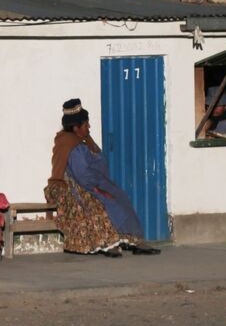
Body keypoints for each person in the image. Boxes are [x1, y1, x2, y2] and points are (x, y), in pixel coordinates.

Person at [45, 99, 158, 257]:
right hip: (76, 188)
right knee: (105, 202)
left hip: (86, 183)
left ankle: (131, 241)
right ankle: (108, 244)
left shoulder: (80, 142)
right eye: (86, 125)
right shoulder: (71, 145)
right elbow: (83, 175)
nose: (89, 127)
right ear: (76, 128)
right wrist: (100, 186)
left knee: (119, 198)